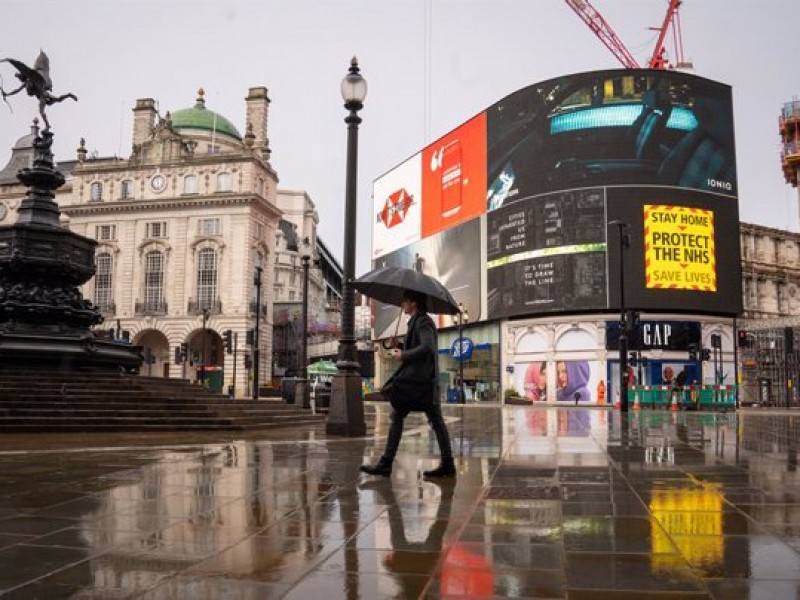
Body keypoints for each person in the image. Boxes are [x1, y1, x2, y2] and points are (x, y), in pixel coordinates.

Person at [361, 290, 455, 478]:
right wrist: (399, 346)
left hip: (420, 382)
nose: (402, 304)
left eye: (404, 301)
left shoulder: (423, 321)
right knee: (416, 418)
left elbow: (427, 348)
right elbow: (419, 348)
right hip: (420, 382)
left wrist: (403, 354)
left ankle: (389, 463)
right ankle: (446, 464)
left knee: (430, 420)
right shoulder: (417, 321)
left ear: (414, 303)